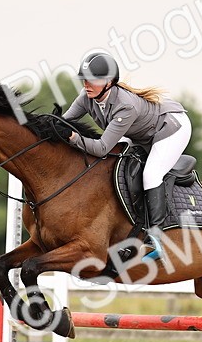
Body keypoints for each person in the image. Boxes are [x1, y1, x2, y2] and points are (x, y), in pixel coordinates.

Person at [62, 51, 191, 262]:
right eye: (84, 79)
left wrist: (74, 138)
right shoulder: (87, 98)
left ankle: (158, 239)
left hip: (171, 128)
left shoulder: (125, 105)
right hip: (141, 132)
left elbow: (102, 147)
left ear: (109, 82)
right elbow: (64, 120)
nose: (86, 84)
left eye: (92, 80)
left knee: (151, 174)